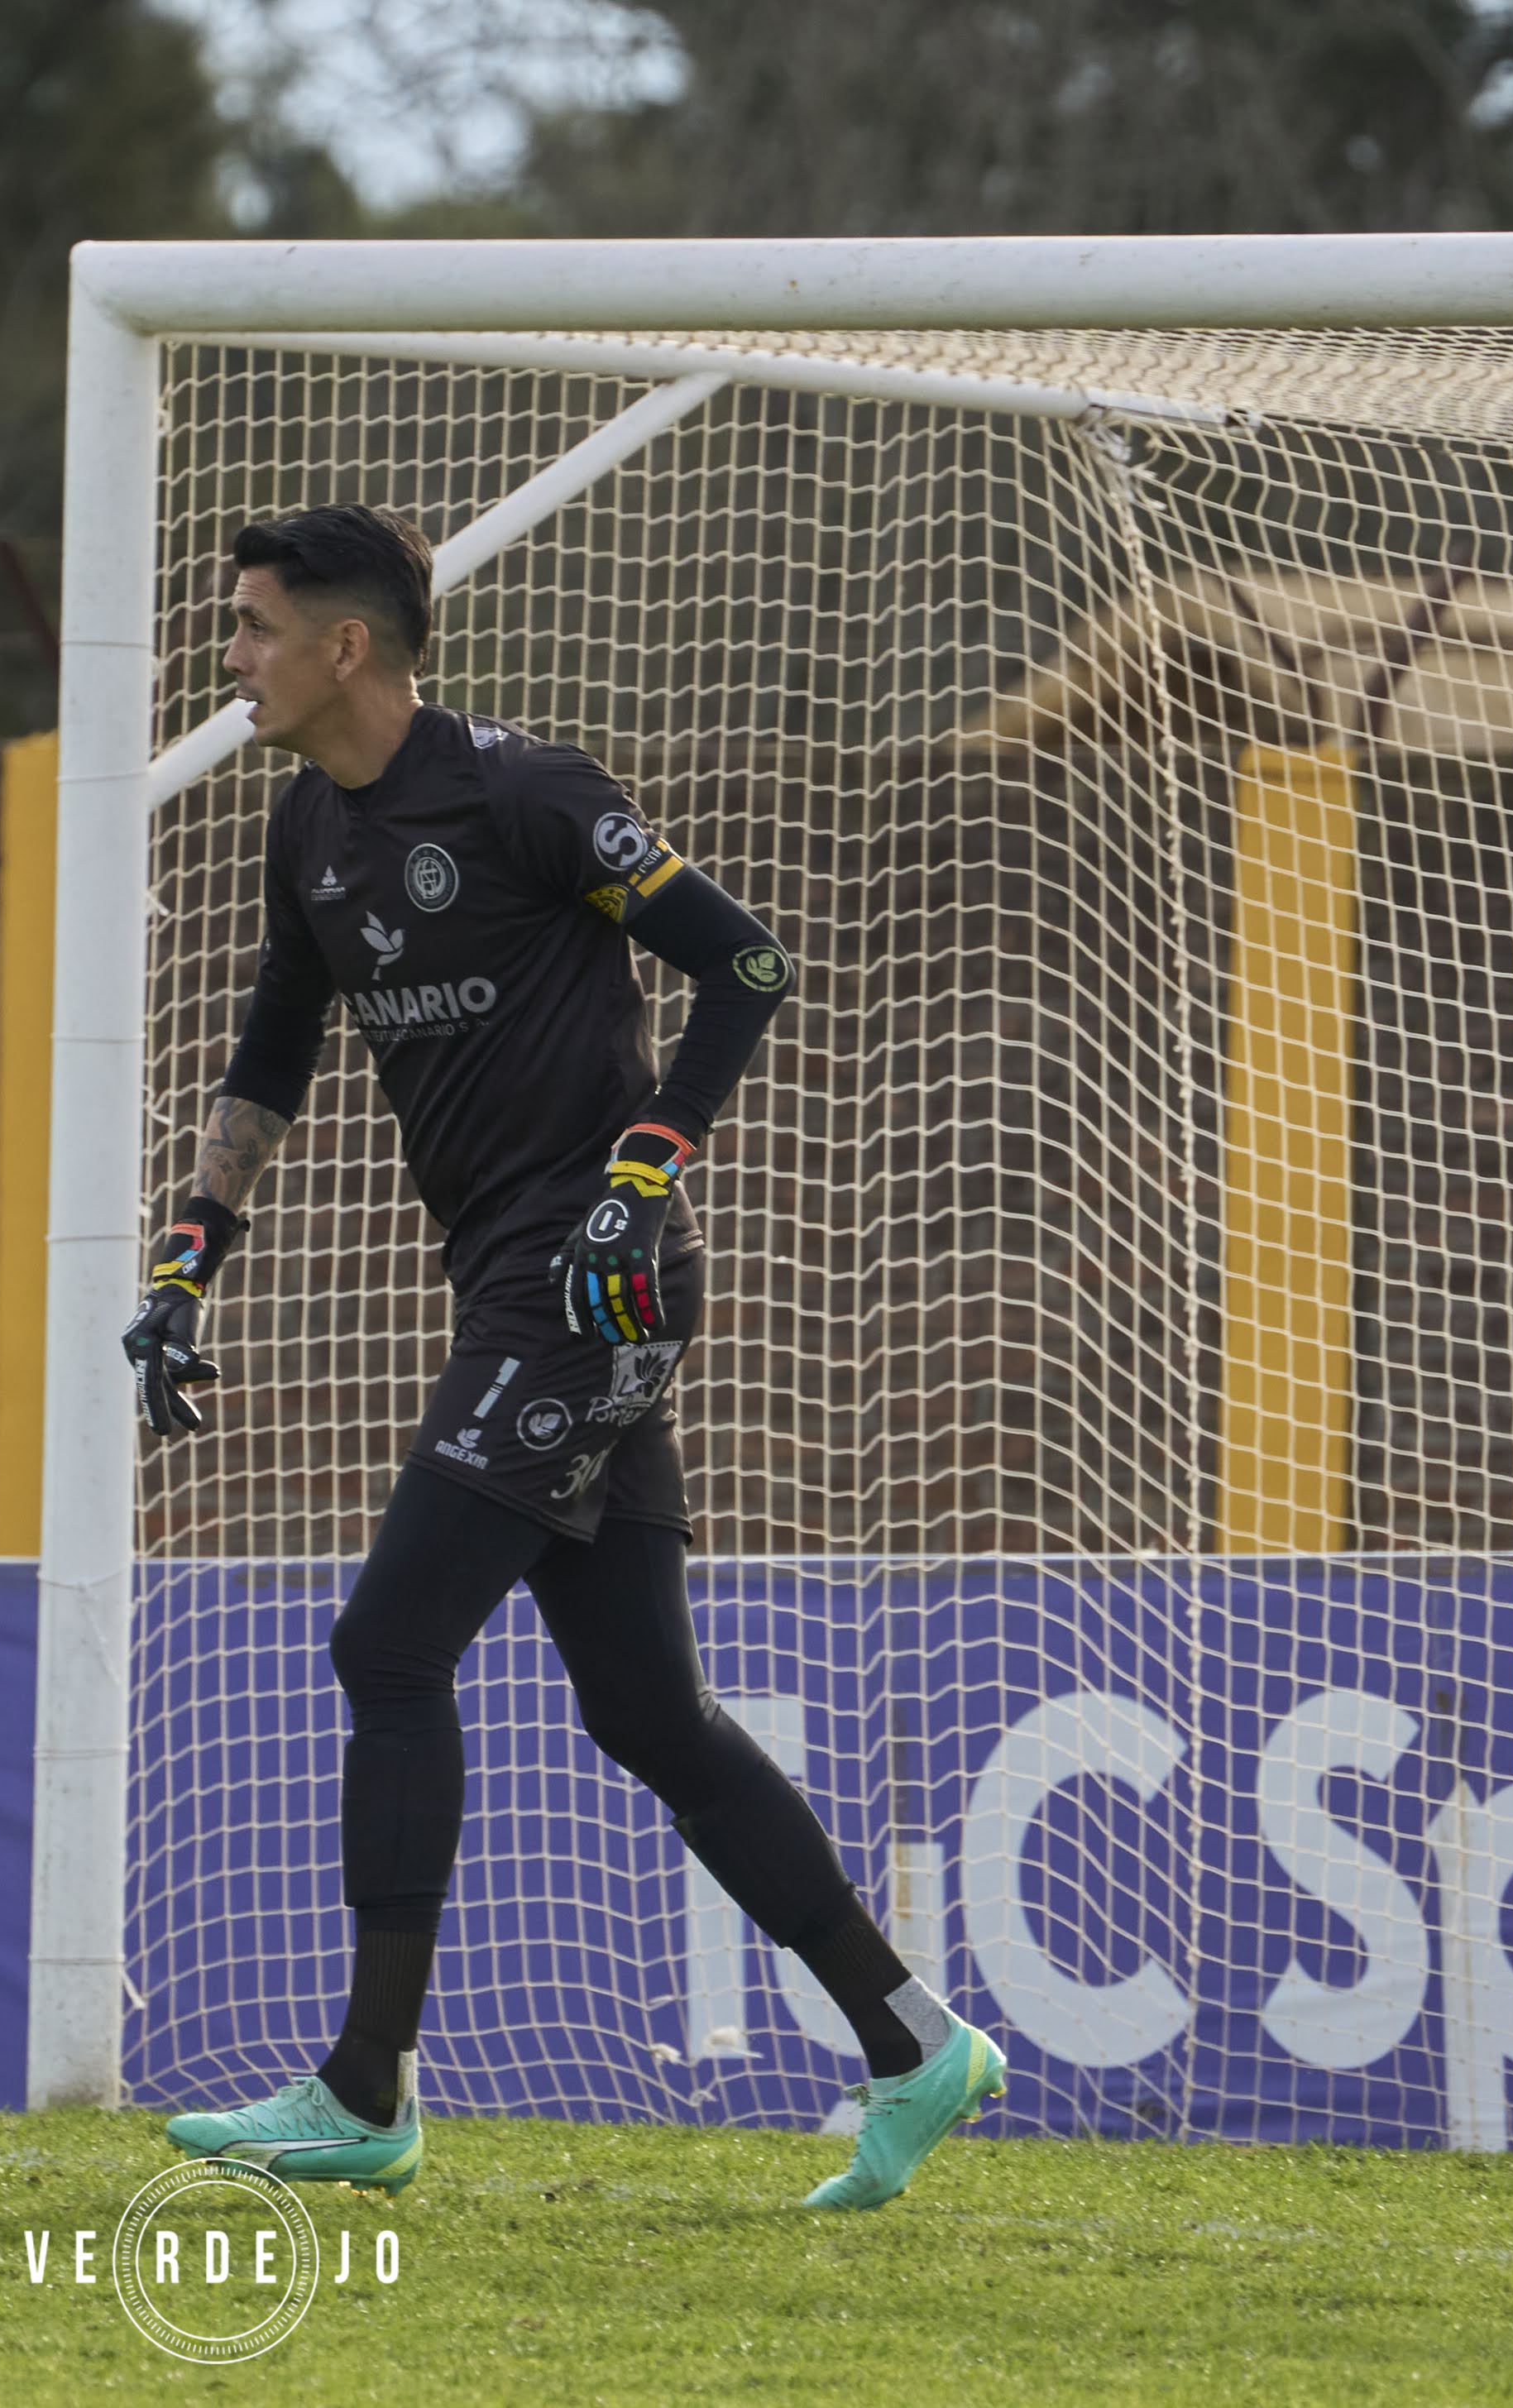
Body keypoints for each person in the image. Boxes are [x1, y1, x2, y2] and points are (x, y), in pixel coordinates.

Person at [124, 501, 1004, 2211]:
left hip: (590, 1286)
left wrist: (641, 1166)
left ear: (343, 647)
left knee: (387, 1643)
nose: (226, 657)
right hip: (507, 1286)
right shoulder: (307, 831)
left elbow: (743, 962)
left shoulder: (524, 794)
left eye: (247, 627)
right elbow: (264, 1063)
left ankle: (364, 2090)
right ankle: (911, 2042)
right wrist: (184, 1262)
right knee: (646, 1710)